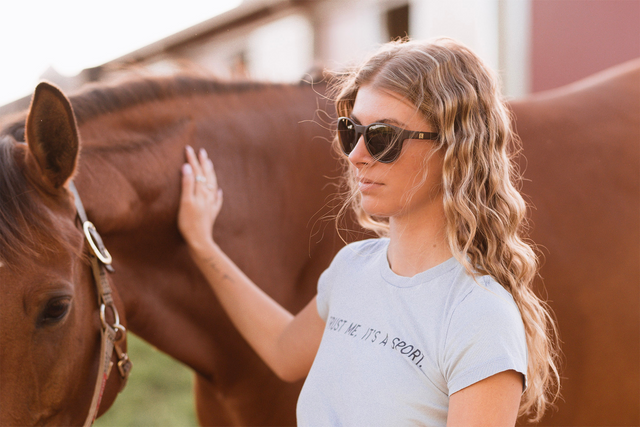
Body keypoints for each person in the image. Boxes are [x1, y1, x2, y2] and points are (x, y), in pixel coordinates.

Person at [177, 38, 560, 426]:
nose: (356, 154)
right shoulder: (352, 268)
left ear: (455, 148)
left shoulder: (478, 316)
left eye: (382, 137)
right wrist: (202, 244)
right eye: (351, 131)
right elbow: (283, 351)